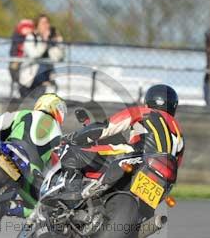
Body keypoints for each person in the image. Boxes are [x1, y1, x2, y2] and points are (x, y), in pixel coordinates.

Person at [57, 84, 185, 201]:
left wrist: (74, 138)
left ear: (148, 102)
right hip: (164, 180)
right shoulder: (179, 132)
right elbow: (176, 163)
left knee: (72, 151)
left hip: (138, 159)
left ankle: (70, 197)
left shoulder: (145, 112)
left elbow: (106, 128)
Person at [18, 14, 65, 99]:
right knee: (26, 108)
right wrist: (44, 41)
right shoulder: (31, 37)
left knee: (41, 108)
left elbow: (58, 57)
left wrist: (59, 41)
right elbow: (34, 55)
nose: (46, 26)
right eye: (43, 23)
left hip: (44, 83)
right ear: (37, 25)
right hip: (29, 81)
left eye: (47, 23)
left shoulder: (50, 40)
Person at [8, 19, 35, 96]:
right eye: (25, 28)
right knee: (13, 68)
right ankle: (16, 83)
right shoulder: (17, 38)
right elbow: (13, 51)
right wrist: (15, 60)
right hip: (18, 59)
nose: (27, 30)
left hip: (28, 61)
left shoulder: (32, 38)